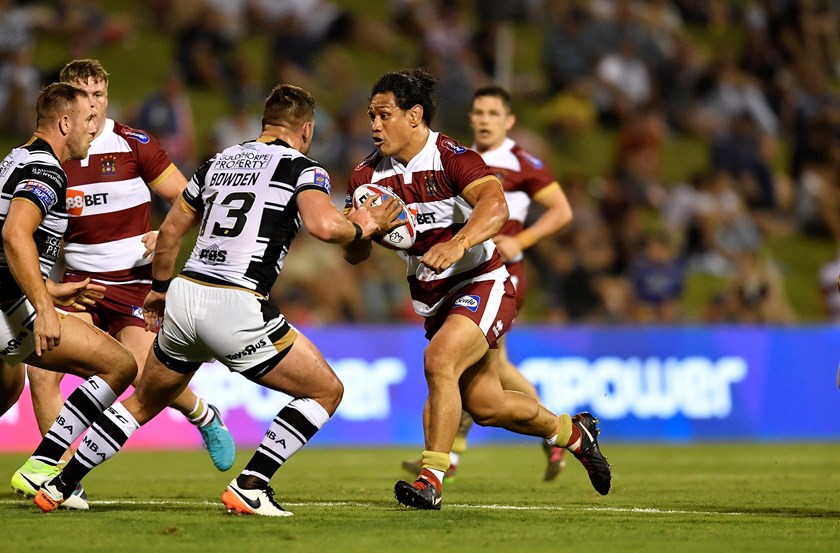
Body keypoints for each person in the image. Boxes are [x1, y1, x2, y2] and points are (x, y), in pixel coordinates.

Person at [33, 83, 404, 516]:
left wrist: (159, 289)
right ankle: (252, 484)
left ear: (266, 123)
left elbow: (170, 233)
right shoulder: (304, 168)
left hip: (187, 295)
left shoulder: (218, 162)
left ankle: (60, 482)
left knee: (142, 403)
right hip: (237, 301)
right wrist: (364, 226)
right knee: (326, 391)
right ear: (306, 129)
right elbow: (324, 226)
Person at [343, 69, 611, 510]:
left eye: (383, 114)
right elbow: (356, 257)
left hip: (481, 279)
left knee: (439, 359)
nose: (373, 124)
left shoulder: (452, 157)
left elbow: (496, 205)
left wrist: (459, 241)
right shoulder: (365, 178)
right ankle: (573, 434)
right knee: (486, 406)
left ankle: (431, 478)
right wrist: (363, 233)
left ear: (414, 116)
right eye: (370, 115)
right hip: (432, 296)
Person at [23, 59, 235, 476]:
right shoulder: (53, 155)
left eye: (98, 95)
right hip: (78, 286)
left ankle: (204, 416)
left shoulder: (132, 144)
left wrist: (167, 233)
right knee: (41, 368)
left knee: (143, 373)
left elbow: (194, 201)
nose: (92, 105)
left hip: (133, 284)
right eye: (82, 96)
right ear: (66, 102)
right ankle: (55, 474)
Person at [402, 85, 574, 482]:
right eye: (478, 112)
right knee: (477, 372)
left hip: (499, 272)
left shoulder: (521, 162)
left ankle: (460, 454)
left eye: (493, 113)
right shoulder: (456, 157)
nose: (483, 119)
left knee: (462, 362)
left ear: (509, 121)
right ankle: (555, 434)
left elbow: (561, 211)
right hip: (459, 272)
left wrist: (522, 240)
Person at [2, 82, 138, 510]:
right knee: (120, 365)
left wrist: (53, 289)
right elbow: (14, 233)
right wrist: (44, 308)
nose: (92, 132)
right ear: (64, 122)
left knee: (5, 391)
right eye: (87, 122)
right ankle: (44, 465)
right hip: (8, 308)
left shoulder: (14, 159)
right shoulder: (47, 169)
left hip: (9, 296)